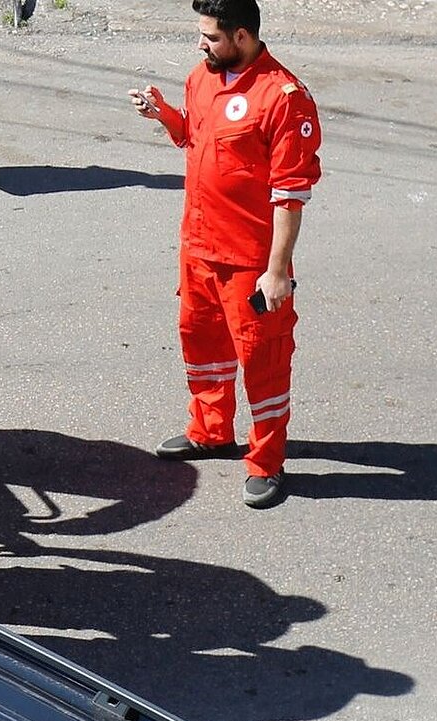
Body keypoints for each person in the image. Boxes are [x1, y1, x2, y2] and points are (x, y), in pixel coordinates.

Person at [127, 0, 319, 508]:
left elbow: (289, 194)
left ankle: (266, 460)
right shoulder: (201, 76)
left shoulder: (284, 98)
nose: (200, 44)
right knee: (202, 346)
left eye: (210, 36)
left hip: (250, 264)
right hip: (198, 249)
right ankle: (210, 432)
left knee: (264, 363)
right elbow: (194, 136)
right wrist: (164, 114)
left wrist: (277, 271)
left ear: (240, 36)